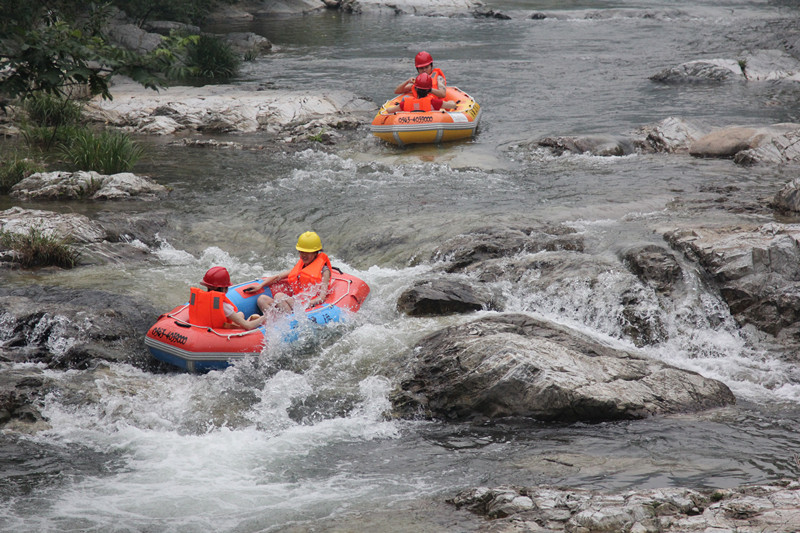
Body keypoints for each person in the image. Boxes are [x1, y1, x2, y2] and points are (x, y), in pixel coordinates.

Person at [245, 231, 332, 314]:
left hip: (307, 306)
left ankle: (290, 322)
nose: (303, 255)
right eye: (301, 252)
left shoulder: (324, 271)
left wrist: (307, 304)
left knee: (279, 296)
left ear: (315, 252)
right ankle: (275, 322)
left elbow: (321, 297)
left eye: (307, 252)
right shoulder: (301, 267)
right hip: (296, 304)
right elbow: (278, 277)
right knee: (262, 299)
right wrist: (260, 285)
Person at [189, 266, 265, 330]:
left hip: (202, 330)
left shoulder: (198, 299)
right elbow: (248, 326)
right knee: (256, 317)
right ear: (225, 288)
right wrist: (266, 316)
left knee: (240, 314)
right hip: (219, 335)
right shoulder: (224, 306)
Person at [385, 73, 457, 113]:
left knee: (404, 98)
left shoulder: (405, 103)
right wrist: (451, 102)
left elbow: (389, 111)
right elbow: (452, 105)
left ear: (415, 88)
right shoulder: (434, 102)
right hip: (431, 124)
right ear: (429, 90)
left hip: (409, 125)